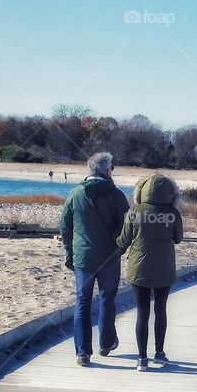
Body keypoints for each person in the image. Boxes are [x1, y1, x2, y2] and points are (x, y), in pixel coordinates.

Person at [59, 152, 130, 367]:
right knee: (107, 299)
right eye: (112, 168)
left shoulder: (75, 194)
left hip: (83, 258)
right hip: (109, 257)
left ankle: (83, 352)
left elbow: (65, 227)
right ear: (107, 170)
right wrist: (120, 248)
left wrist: (70, 251)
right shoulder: (116, 195)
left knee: (82, 301)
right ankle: (106, 343)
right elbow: (127, 227)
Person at [117, 173, 183, 372]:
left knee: (142, 313)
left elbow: (124, 240)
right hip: (164, 268)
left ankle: (142, 359)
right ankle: (159, 353)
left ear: (142, 191)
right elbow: (178, 238)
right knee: (160, 310)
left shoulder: (134, 211)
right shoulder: (172, 213)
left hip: (139, 269)